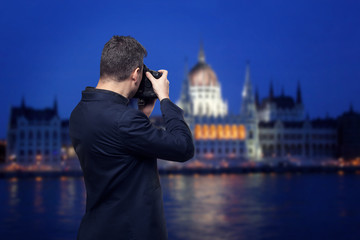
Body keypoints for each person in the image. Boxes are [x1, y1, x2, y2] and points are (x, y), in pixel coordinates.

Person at [69, 35, 195, 240]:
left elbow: (119, 153)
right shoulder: (125, 121)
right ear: (136, 74)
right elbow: (184, 147)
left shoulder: (79, 113)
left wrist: (142, 116)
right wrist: (165, 99)